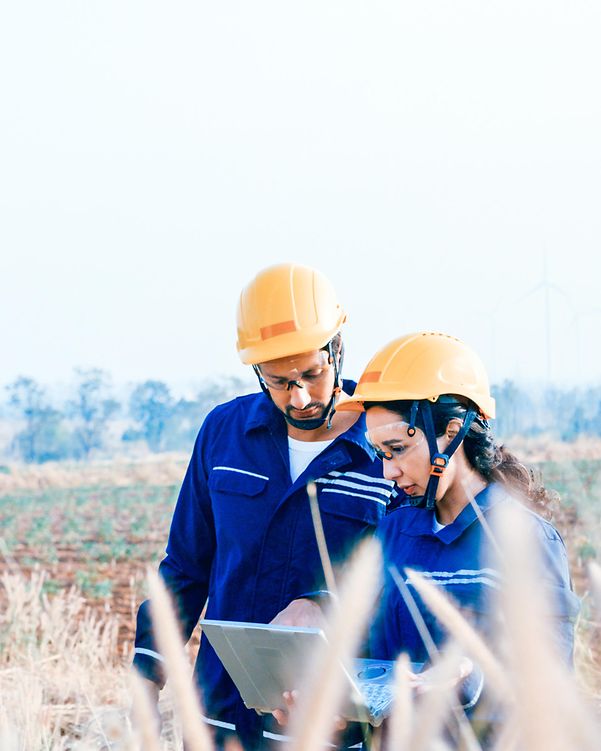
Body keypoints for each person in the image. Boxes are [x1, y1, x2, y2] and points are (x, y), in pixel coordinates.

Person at [132, 263, 398, 750]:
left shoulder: (388, 446)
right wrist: (147, 674)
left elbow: (404, 582)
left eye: (312, 375)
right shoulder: (224, 434)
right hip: (217, 720)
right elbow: (185, 567)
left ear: (338, 348)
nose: (298, 396)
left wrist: (325, 606)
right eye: (277, 381)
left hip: (322, 725)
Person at [334, 331, 580, 742]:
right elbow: (368, 664)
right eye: (381, 453)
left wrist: (471, 676)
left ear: (452, 431)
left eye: (397, 449)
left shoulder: (525, 540)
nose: (388, 472)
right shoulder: (393, 533)